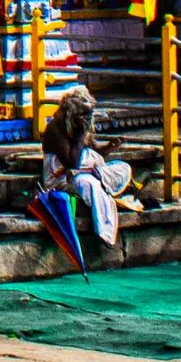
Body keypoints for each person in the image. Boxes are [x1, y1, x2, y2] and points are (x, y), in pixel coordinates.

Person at [39, 87, 136, 248]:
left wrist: (109, 148)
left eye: (89, 115)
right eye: (84, 115)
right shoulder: (56, 130)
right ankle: (104, 232)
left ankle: (104, 182)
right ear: (72, 114)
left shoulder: (82, 127)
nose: (88, 119)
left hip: (88, 171)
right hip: (62, 178)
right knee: (89, 184)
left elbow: (94, 150)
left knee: (123, 168)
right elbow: (72, 162)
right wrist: (80, 134)